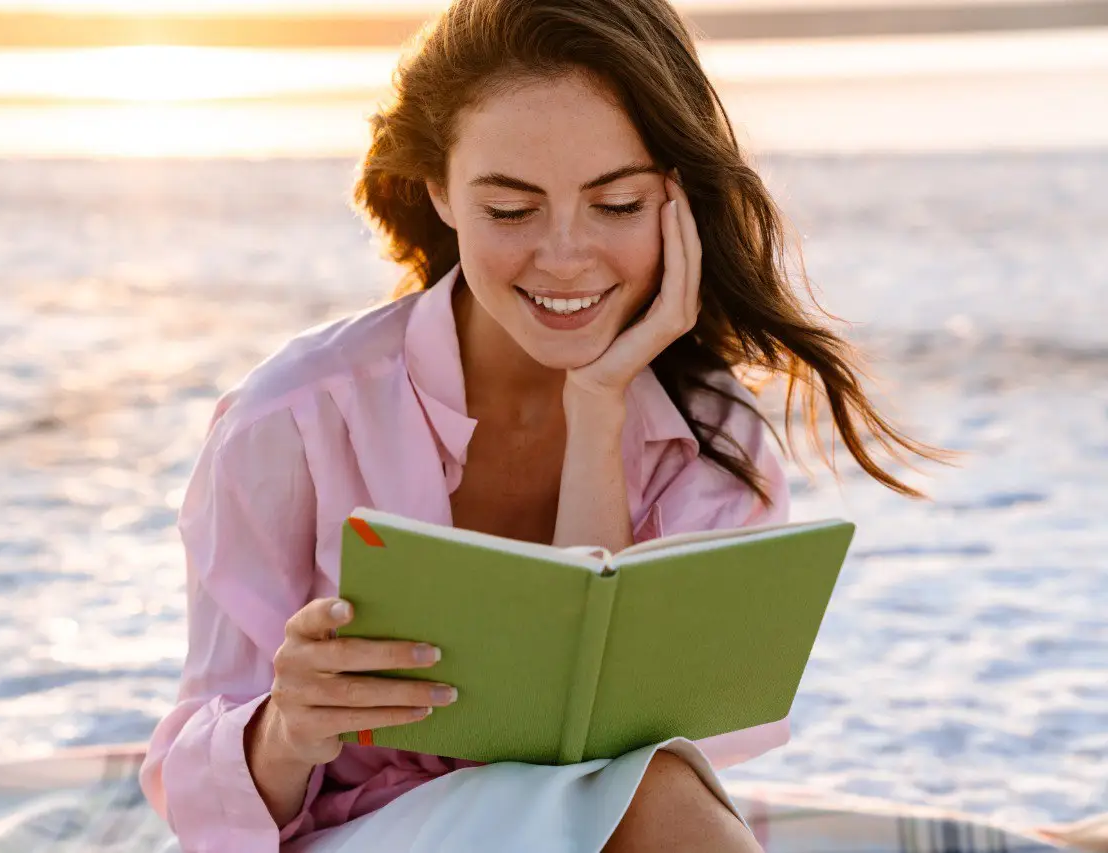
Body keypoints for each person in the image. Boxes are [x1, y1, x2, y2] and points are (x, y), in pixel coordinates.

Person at [139, 0, 944, 849]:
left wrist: (597, 406)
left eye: (617, 204)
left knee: (645, 784)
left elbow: (606, 759)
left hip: (584, 826)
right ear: (441, 191)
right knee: (651, 796)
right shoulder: (294, 418)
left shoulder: (710, 440)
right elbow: (197, 794)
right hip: (355, 836)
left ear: (678, 199)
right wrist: (287, 725)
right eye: (511, 210)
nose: (564, 257)